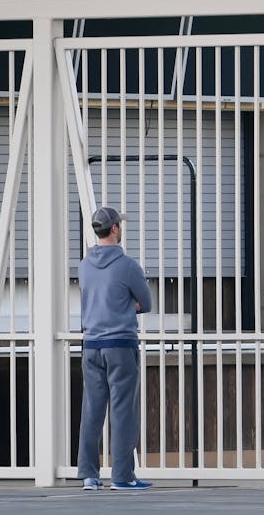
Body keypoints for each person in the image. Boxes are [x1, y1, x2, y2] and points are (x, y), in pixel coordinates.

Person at [76, 206, 154, 491]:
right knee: (123, 411)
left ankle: (88, 475)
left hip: (91, 345)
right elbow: (146, 304)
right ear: (115, 229)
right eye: (120, 224)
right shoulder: (128, 266)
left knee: (92, 410)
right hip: (120, 344)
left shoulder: (84, 265)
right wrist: (126, 305)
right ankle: (122, 476)